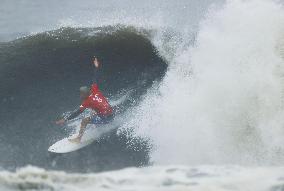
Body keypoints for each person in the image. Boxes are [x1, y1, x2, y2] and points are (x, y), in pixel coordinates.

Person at [56, 56, 114, 143]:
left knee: (84, 120)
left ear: (85, 94)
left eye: (81, 93)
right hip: (111, 113)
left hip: (107, 118)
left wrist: (65, 119)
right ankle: (98, 123)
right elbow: (95, 78)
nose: (80, 95)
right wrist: (96, 66)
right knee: (93, 111)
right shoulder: (94, 90)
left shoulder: (87, 102)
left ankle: (78, 138)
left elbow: (77, 112)